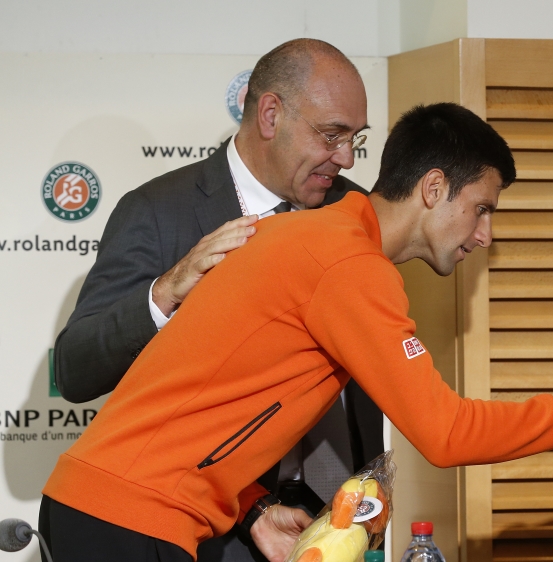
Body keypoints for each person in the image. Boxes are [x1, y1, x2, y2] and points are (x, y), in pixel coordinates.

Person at [40, 102, 553, 562]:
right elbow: (447, 432)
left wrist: (250, 504)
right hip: (124, 518)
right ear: (434, 188)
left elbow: (209, 393)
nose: (485, 235)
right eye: (482, 208)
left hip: (112, 508)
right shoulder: (349, 265)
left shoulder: (314, 238)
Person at [50, 39, 384, 560]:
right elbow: (75, 370)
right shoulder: (158, 211)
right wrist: (166, 291)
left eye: (354, 138)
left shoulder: (354, 212)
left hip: (352, 519)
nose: (345, 157)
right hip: (220, 533)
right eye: (331, 135)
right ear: (271, 113)